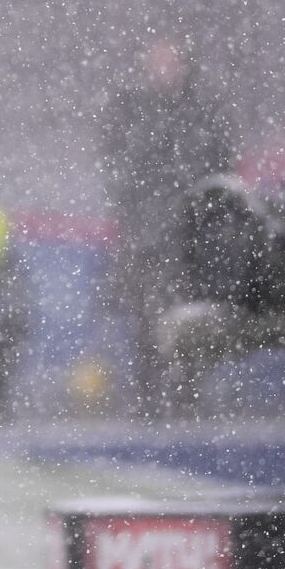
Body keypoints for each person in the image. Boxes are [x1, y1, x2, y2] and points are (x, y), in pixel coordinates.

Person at [102, 34, 235, 417]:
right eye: (157, 61)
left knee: (189, 319)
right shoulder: (132, 112)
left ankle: (186, 396)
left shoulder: (202, 113)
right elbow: (116, 170)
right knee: (146, 319)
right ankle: (149, 397)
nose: (163, 70)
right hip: (146, 239)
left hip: (189, 238)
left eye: (170, 61)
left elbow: (219, 170)